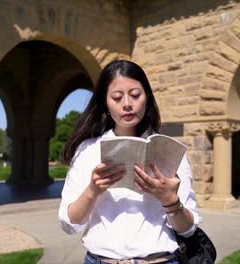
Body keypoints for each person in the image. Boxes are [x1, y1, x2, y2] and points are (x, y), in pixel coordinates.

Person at [58, 60, 201, 264]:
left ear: (147, 98)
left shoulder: (169, 151)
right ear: (105, 103)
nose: (127, 103)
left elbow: (188, 229)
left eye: (135, 95)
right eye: (117, 97)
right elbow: (69, 224)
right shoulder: (87, 150)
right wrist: (93, 190)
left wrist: (170, 200)